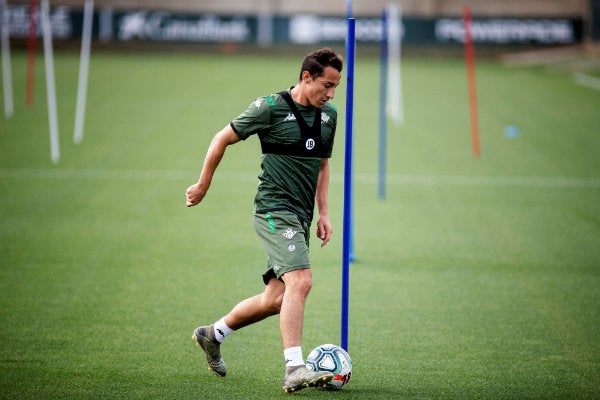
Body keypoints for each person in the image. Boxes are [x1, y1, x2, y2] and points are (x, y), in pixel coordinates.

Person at [185, 48, 343, 394]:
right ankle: (294, 369)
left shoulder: (329, 116)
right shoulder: (270, 107)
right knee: (301, 281)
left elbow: (322, 164)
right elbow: (221, 138)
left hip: (301, 216)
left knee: (276, 298)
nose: (331, 94)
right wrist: (203, 184)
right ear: (306, 77)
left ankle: (213, 334)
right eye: (326, 85)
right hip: (273, 210)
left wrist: (325, 213)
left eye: (336, 87)